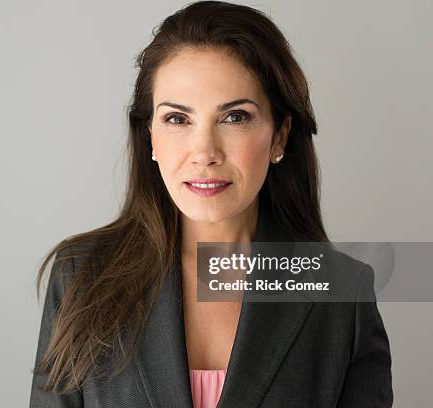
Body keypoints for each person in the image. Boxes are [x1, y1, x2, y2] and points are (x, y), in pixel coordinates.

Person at [30, 1, 393, 407]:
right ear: (149, 134)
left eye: (235, 117)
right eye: (177, 119)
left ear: (279, 136)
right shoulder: (81, 277)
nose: (204, 153)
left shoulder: (344, 295)